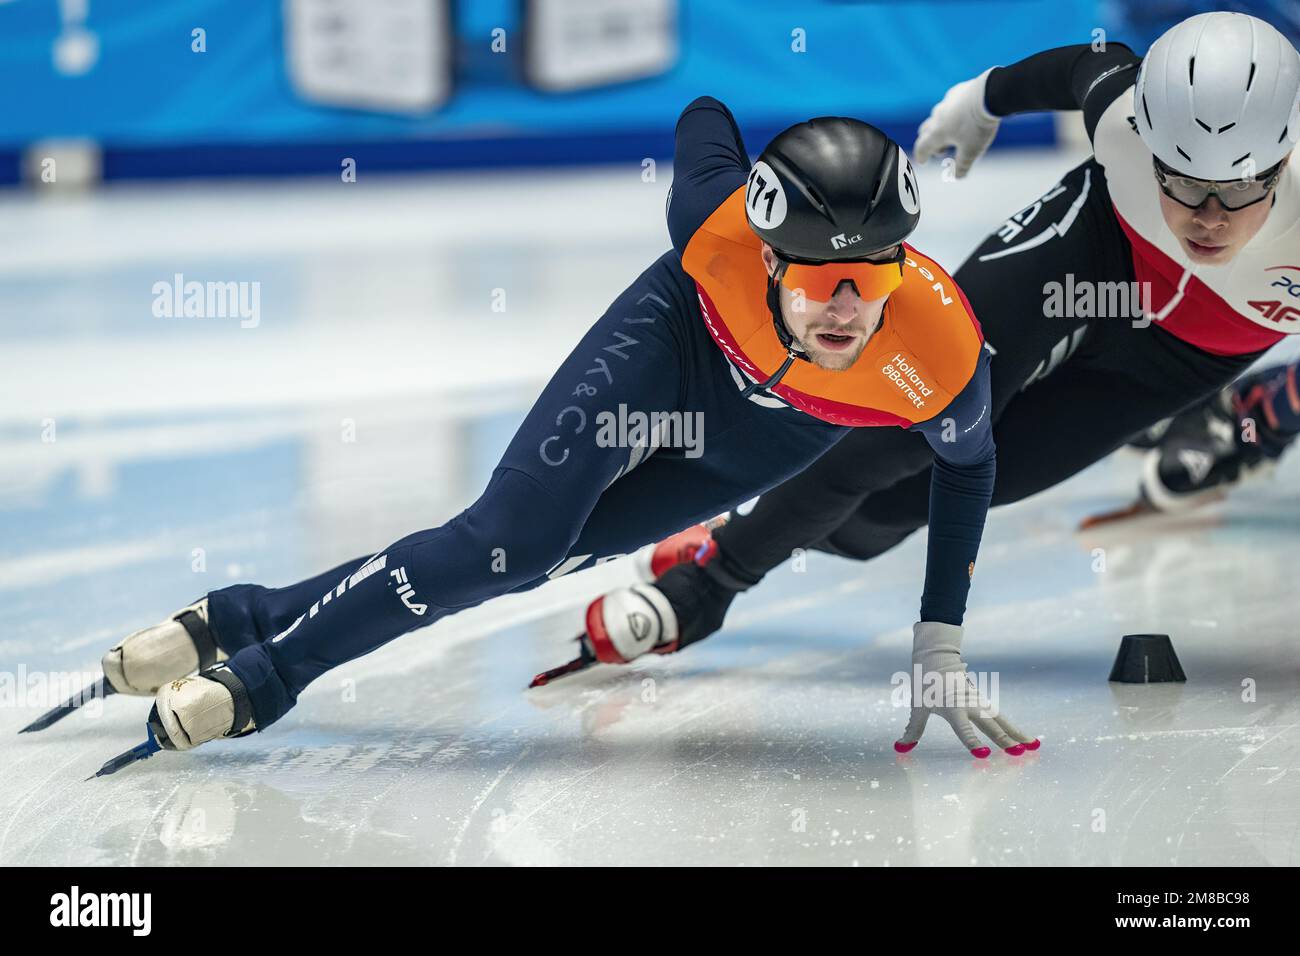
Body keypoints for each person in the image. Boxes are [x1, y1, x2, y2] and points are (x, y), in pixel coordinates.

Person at [93, 96, 1034, 759]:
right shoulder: (714, 227)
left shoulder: (940, 354)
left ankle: (244, 616)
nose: (842, 307)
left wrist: (938, 641)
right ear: (767, 251)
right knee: (513, 539)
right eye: (817, 276)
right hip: (674, 339)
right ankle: (270, 676)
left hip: (774, 434)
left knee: (519, 561)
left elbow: (968, 472)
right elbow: (704, 112)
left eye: (870, 277)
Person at [585, 11, 1300, 728]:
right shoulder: (1123, 112)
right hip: (1087, 250)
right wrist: (982, 98)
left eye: (1238, 190)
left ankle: (734, 530)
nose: (1208, 216)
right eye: (1178, 180)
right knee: (906, 425)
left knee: (949, 491)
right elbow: (1086, 64)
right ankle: (709, 586)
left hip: (1185, 354)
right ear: (1147, 137)